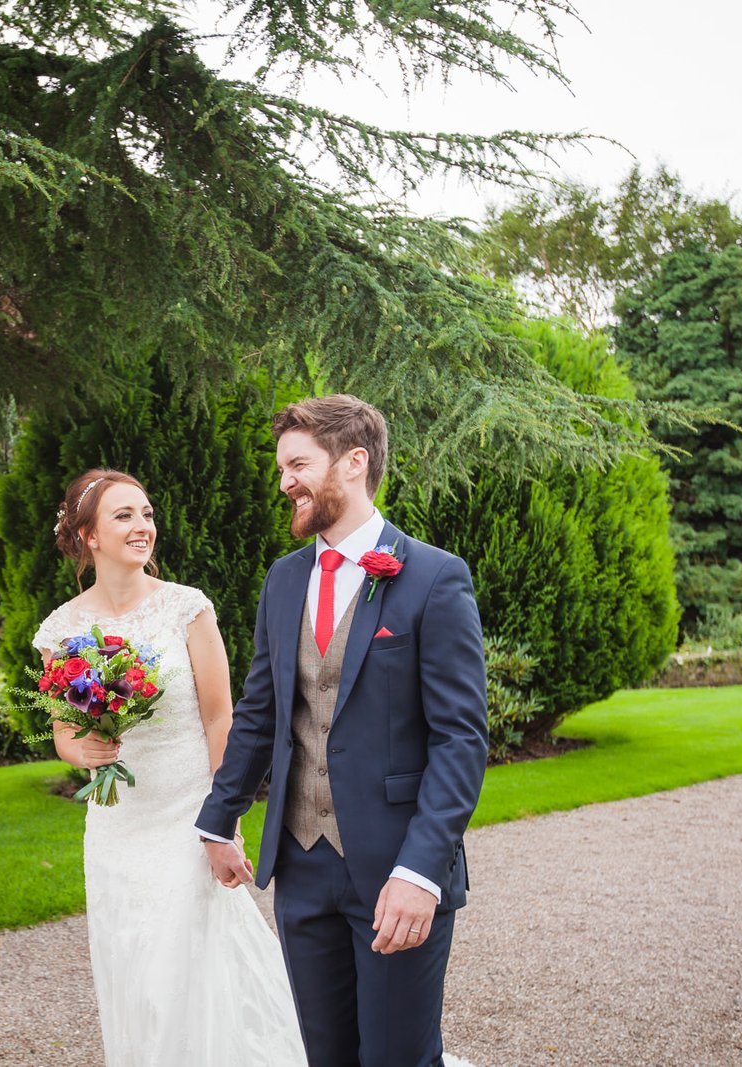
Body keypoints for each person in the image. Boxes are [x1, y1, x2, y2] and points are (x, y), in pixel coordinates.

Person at [196, 395, 488, 1067]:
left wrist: (421, 870)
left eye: (297, 464)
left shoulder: (434, 578)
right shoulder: (284, 578)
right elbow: (261, 710)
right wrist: (219, 821)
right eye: (280, 468)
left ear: (353, 462)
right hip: (300, 868)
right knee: (325, 1056)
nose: (284, 482)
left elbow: (461, 738)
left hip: (396, 869)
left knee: (397, 1058)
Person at [33, 468, 308, 1067]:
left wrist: (223, 821)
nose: (142, 526)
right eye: (124, 516)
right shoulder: (62, 630)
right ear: (88, 537)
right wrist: (87, 752)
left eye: (148, 514)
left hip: (189, 816)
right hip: (117, 826)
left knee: (191, 963)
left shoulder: (187, 609)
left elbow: (219, 719)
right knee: (134, 964)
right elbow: (62, 734)